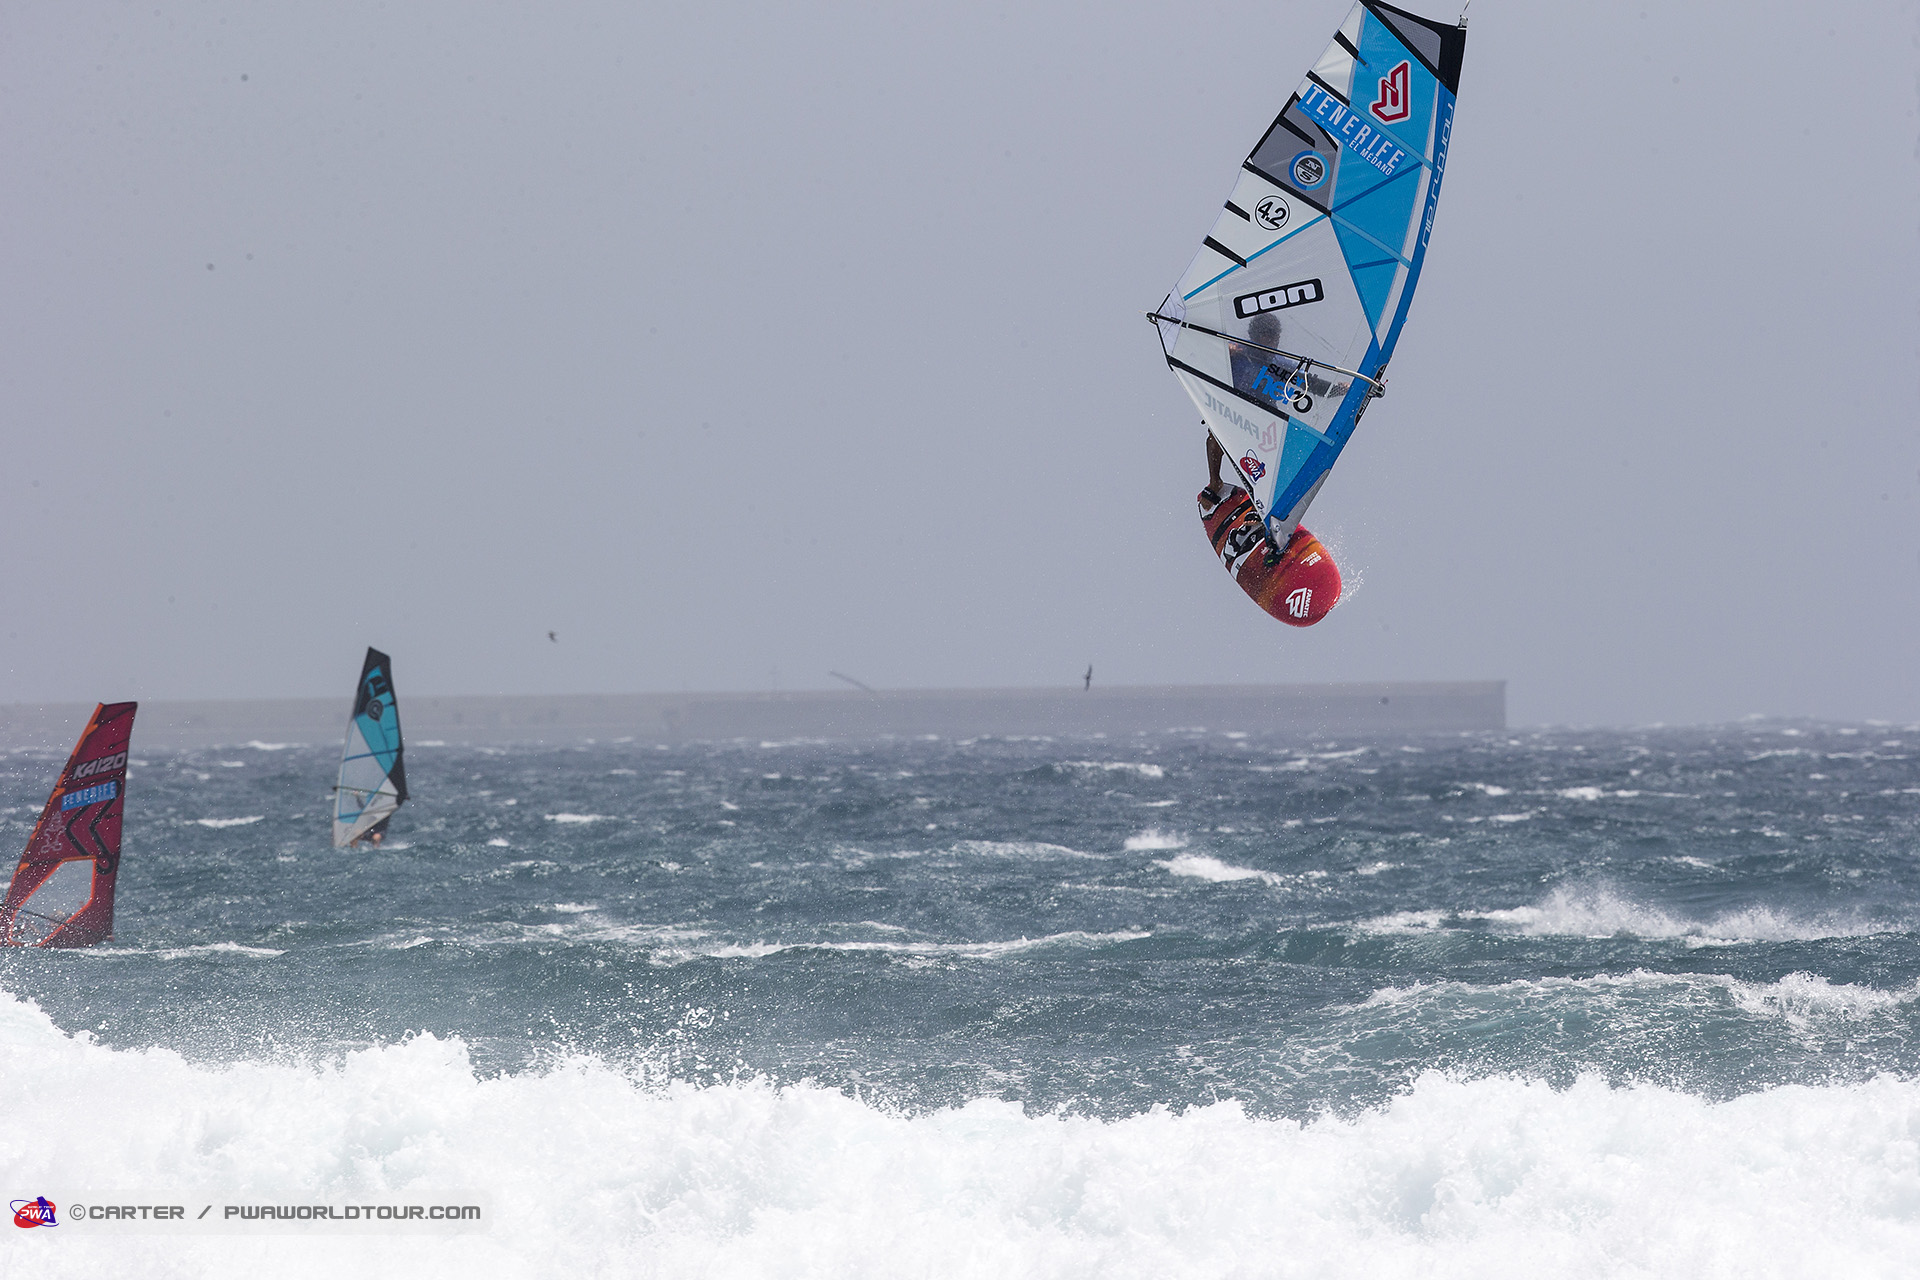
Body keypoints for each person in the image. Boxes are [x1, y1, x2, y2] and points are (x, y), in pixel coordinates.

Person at [1228, 312, 1347, 414]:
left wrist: (1339, 389)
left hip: (1264, 418)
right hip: (1231, 410)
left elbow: (1311, 384)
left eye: (1275, 338)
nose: (1273, 343)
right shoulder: (1235, 351)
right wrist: (1224, 353)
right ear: (1253, 337)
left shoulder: (1281, 364)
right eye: (1267, 338)